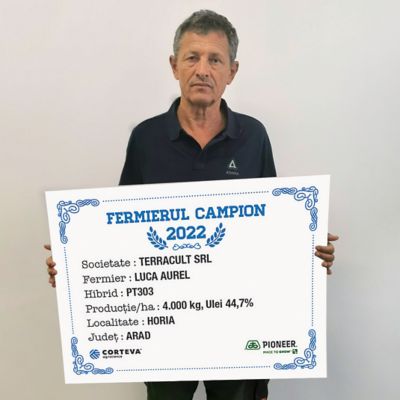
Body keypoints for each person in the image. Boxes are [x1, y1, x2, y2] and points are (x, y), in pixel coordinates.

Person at [45, 10, 338, 400]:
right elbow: (119, 233)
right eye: (192, 57)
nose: (203, 70)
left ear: (232, 71)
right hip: (166, 333)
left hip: (240, 327)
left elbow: (272, 227)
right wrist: (76, 262)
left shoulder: (253, 136)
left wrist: (309, 249)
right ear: (174, 66)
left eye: (215, 59)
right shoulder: (146, 139)